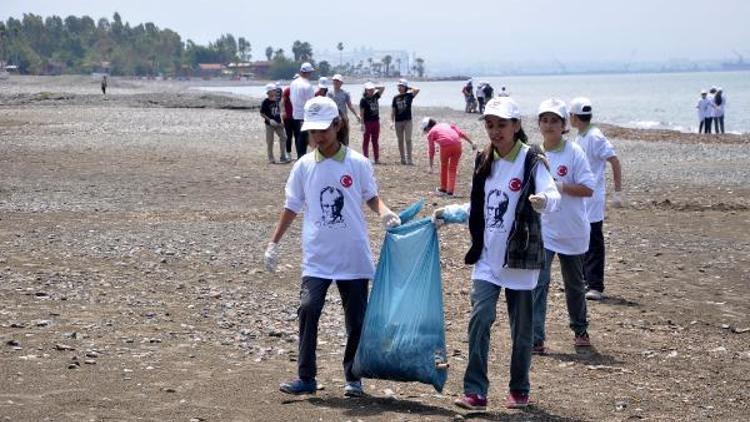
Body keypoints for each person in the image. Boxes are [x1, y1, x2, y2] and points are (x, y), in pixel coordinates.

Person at [265, 96, 401, 397]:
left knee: (356, 319)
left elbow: (370, 196)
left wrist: (386, 212)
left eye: (323, 130)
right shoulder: (303, 166)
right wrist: (274, 243)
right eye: (312, 132)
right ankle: (306, 377)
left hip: (352, 254)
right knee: (308, 308)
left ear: (337, 125)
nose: (317, 137)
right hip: (317, 256)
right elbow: (291, 206)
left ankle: (353, 377)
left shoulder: (357, 163)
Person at [432, 97, 561, 410]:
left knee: (522, 332)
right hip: (488, 259)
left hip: (521, 260)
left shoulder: (531, 159)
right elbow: (480, 207)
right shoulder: (483, 158)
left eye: (502, 124)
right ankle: (475, 391)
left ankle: (519, 388)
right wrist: (449, 213)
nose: (495, 130)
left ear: (516, 126)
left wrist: (543, 200)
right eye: (490, 124)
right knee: (480, 319)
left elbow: (553, 193)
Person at [531, 99, 595, 355]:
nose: (549, 125)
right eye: (544, 120)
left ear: (563, 125)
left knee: (574, 284)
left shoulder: (574, 152)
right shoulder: (534, 154)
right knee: (539, 283)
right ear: (539, 124)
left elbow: (588, 188)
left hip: (572, 229)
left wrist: (559, 186)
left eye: (554, 121)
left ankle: (580, 329)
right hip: (544, 230)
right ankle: (536, 338)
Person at [568, 97, 625, 301]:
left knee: (593, 239)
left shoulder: (595, 136)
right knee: (581, 237)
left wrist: (617, 192)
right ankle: (584, 280)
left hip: (593, 198)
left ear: (574, 116)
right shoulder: (581, 136)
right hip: (581, 197)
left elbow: (614, 161)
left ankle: (595, 285)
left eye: (570, 115)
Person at [420, 117, 476, 196]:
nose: (426, 132)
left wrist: (430, 166)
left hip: (446, 147)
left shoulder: (431, 132)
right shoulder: (445, 125)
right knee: (453, 168)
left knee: (444, 166)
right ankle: (450, 191)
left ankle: (443, 188)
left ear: (428, 127)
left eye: (425, 130)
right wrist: (471, 142)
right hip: (458, 145)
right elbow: (461, 133)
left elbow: (431, 150)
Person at [391, 79, 420, 165]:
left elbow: (417, 89)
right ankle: (402, 158)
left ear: (405, 87)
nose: (400, 88)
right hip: (398, 122)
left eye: (402, 86)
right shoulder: (395, 98)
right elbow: (393, 111)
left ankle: (409, 159)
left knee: (408, 139)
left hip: (408, 121)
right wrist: (391, 122)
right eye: (399, 86)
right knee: (400, 140)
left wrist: (409, 87)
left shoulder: (409, 95)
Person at [290, 63, 316, 158]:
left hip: (295, 114)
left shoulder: (293, 83)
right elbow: (311, 102)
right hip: (305, 116)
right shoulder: (307, 85)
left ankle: (299, 157)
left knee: (298, 137)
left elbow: (291, 98)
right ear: (309, 73)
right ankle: (302, 158)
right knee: (304, 138)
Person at [327, 74, 361, 146]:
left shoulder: (345, 93)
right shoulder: (329, 93)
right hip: (332, 119)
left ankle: (345, 152)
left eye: (338, 81)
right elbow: (327, 106)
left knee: (344, 137)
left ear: (341, 83)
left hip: (343, 119)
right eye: (334, 81)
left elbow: (350, 105)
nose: (336, 82)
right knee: (333, 137)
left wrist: (356, 115)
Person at [260, 83, 289, 164]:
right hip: (269, 124)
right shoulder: (265, 102)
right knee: (270, 141)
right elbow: (262, 113)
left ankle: (283, 157)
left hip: (278, 123)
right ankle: (271, 158)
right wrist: (269, 120)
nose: (275, 92)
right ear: (269, 92)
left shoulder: (277, 101)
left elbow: (280, 111)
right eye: (273, 90)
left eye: (275, 90)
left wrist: (282, 121)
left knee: (284, 137)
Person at [359, 81, 385, 163]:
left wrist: (374, 87)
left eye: (371, 89)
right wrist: (362, 124)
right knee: (366, 140)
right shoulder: (363, 100)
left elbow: (383, 88)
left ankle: (376, 158)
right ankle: (365, 158)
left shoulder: (375, 96)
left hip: (375, 121)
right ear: (365, 90)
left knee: (375, 140)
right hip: (367, 122)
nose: (371, 91)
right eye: (369, 89)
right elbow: (361, 113)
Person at [281, 76, 298, 160]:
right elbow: (283, 101)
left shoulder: (300, 90)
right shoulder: (288, 90)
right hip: (288, 117)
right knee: (289, 135)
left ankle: (300, 153)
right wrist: (283, 112)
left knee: (298, 136)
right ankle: (288, 153)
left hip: (297, 117)